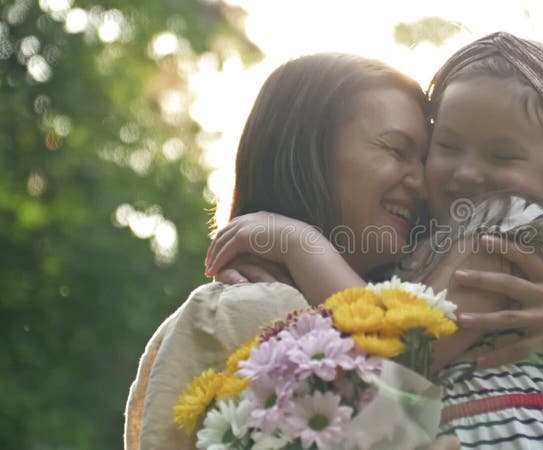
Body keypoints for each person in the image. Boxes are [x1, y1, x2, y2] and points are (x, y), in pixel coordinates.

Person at [206, 32, 543, 449]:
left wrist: (299, 244)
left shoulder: (510, 232)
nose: (466, 172)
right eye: (446, 146)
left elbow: (404, 348)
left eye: (501, 155)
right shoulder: (430, 248)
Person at [124, 52, 459, 450]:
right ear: (308, 152)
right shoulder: (260, 309)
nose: (421, 184)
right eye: (397, 151)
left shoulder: (404, 313)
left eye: (423, 161)